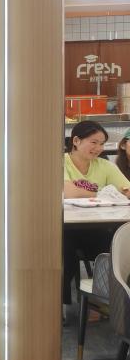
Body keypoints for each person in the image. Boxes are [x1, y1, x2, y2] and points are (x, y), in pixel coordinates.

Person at [61, 121, 130, 306]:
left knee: (118, 248)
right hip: (66, 228)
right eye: (94, 142)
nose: (99, 148)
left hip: (98, 227)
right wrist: (104, 193)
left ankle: (112, 300)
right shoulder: (61, 161)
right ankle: (59, 304)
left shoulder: (105, 166)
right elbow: (69, 192)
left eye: (102, 143)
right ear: (76, 141)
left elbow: (126, 189)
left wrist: (119, 192)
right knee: (64, 253)